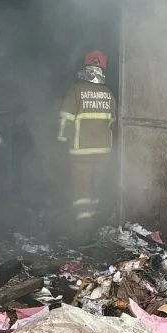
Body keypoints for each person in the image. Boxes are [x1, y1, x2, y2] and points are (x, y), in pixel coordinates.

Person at [57, 50, 116, 241]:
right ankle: (97, 222)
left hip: (81, 152)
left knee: (82, 190)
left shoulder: (76, 91)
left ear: (85, 67)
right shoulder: (108, 94)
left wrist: (61, 139)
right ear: (103, 69)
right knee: (96, 187)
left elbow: (65, 119)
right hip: (103, 151)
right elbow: (112, 122)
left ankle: (84, 227)